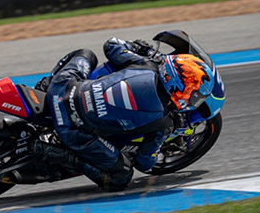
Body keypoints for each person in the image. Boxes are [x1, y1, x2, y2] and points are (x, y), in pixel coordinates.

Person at [33, 37, 219, 192]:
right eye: (193, 94)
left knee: (85, 54)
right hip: (72, 129)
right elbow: (144, 163)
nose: (193, 99)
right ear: (179, 89)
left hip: (62, 87)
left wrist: (140, 48)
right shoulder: (164, 122)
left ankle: (43, 87)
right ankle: (50, 150)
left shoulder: (146, 65)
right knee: (121, 176)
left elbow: (111, 45)